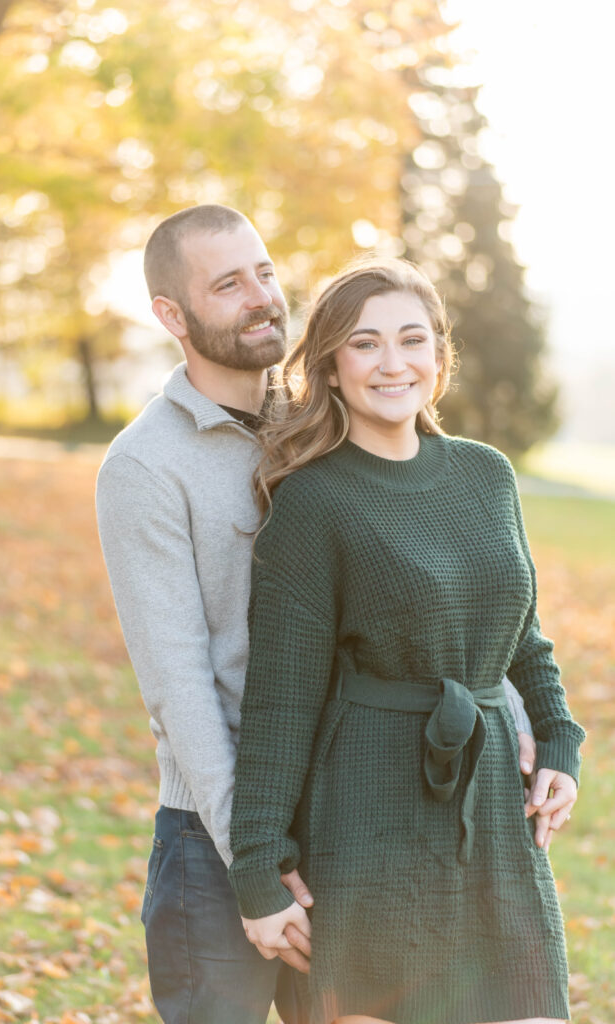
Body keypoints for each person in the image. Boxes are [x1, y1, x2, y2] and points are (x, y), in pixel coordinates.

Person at [96, 206, 539, 1024]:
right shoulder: (146, 467)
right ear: (171, 315)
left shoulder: (323, 423)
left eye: (264, 271)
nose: (261, 296)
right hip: (216, 828)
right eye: (227, 285)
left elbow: (444, 586)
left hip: (347, 812)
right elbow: (180, 687)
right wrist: (253, 862)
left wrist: (511, 712)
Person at [227, 259, 586, 1024]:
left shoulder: (486, 476)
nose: (393, 363)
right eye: (365, 343)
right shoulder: (314, 500)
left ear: (439, 356)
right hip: (365, 811)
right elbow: (281, 702)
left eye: (411, 339)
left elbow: (522, 632)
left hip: (490, 810)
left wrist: (558, 740)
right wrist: (258, 867)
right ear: (329, 364)